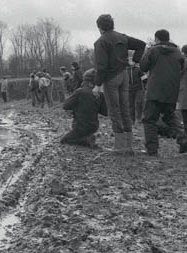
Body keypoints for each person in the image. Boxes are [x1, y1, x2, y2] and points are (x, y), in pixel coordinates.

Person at [92, 14, 146, 154]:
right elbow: (141, 45)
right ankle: (129, 146)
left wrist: (98, 84)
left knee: (114, 111)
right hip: (124, 75)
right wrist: (134, 61)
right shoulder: (122, 37)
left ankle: (119, 146)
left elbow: (102, 66)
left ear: (99, 27)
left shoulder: (101, 42)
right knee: (126, 109)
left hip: (111, 78)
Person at [139, 29, 187, 156]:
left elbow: (143, 67)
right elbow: (182, 68)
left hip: (154, 91)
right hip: (171, 91)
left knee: (149, 119)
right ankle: (183, 138)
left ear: (156, 39)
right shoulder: (178, 52)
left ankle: (152, 149)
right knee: (169, 116)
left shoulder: (153, 50)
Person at [61, 69, 107, 148]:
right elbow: (105, 112)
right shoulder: (100, 94)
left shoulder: (80, 92)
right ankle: (88, 137)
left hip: (80, 126)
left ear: (85, 80)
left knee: (64, 140)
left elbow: (65, 105)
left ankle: (85, 140)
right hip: (93, 126)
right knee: (79, 134)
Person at [127, 55, 145, 124]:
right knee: (130, 105)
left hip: (138, 89)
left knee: (138, 103)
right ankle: (132, 119)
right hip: (129, 89)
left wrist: (146, 86)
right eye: (129, 60)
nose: (131, 62)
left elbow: (144, 78)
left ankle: (139, 118)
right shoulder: (126, 70)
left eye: (132, 60)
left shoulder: (138, 70)